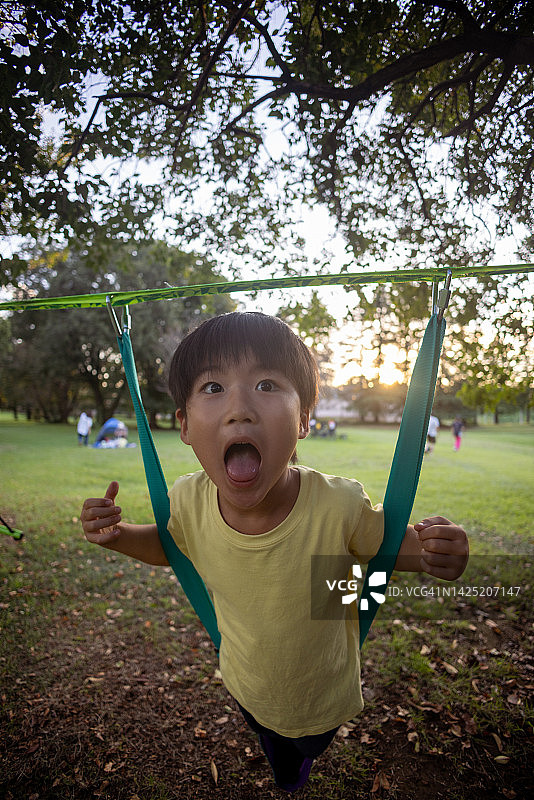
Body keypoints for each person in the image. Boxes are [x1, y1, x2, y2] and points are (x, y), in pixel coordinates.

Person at [80, 312, 468, 793]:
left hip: (322, 694)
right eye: (212, 388)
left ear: (304, 417)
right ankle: (284, 763)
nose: (239, 408)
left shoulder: (340, 504)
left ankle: (300, 758)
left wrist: (436, 551)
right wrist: (119, 536)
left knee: (308, 746)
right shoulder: (186, 499)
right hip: (244, 681)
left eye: (266, 384)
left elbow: (389, 550)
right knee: (268, 736)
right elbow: (172, 548)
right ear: (183, 423)